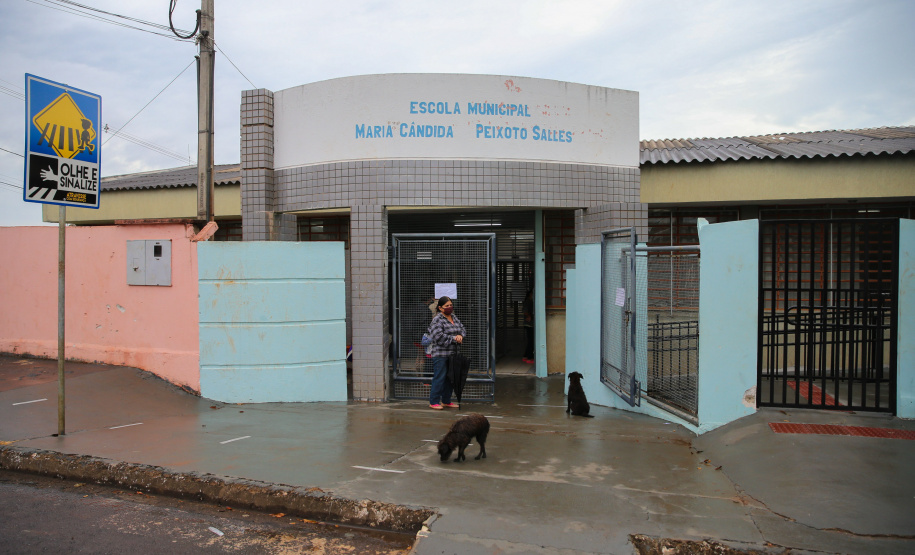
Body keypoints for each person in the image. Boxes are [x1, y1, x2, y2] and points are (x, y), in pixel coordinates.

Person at [426, 296, 466, 409]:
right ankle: (434, 401)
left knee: (450, 378)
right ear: (440, 308)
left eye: (450, 305)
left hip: (453, 354)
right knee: (440, 377)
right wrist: (454, 338)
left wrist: (461, 335)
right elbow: (437, 337)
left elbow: (462, 328)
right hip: (441, 354)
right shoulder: (437, 319)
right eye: (447, 306)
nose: (449, 307)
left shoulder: (453, 317)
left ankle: (446, 400)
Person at [522, 289, 534, 363]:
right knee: (531, 341)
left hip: (529, 324)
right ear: (530, 294)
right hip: (529, 325)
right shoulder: (528, 302)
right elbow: (525, 311)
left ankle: (525, 356)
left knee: (530, 341)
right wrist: (529, 316)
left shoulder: (530, 301)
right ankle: (529, 358)